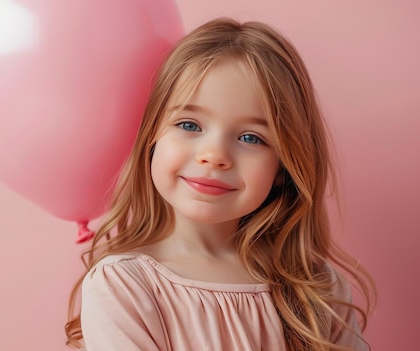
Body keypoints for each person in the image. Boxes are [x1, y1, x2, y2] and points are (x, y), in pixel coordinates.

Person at [65, 17, 376, 351]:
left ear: (283, 166)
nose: (214, 155)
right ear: (152, 137)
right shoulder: (122, 286)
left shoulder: (318, 290)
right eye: (189, 124)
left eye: (250, 137)